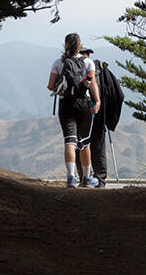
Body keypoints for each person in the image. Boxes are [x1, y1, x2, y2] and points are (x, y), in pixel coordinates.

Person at [47, 33, 101, 188]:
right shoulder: (88, 62)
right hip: (84, 103)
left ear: (65, 45)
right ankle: (87, 178)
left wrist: (61, 86)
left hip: (66, 104)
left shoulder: (58, 62)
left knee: (69, 141)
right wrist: (97, 101)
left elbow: (50, 86)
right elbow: (92, 84)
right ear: (80, 46)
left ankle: (71, 177)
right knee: (84, 142)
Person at [80, 48, 123, 188]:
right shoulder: (100, 69)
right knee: (98, 144)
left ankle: (83, 177)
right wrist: (109, 116)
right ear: (89, 54)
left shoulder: (72, 66)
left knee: (80, 143)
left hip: (79, 110)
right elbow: (118, 94)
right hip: (99, 112)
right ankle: (100, 180)